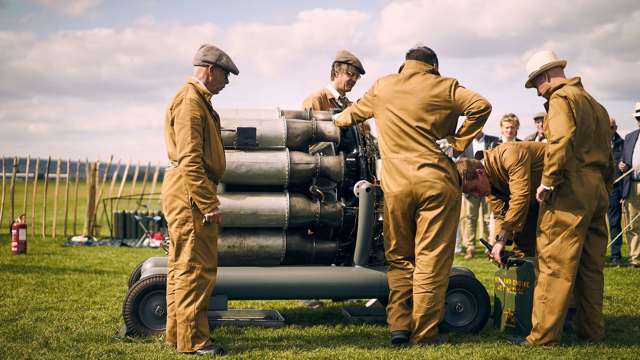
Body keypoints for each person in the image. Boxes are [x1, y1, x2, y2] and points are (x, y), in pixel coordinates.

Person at [334, 46, 491, 345]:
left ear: (406, 64)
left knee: (400, 259)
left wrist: (330, 119)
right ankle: (424, 333)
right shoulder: (445, 86)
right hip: (436, 183)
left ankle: (399, 326)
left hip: (396, 188)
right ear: (433, 66)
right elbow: (481, 106)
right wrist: (458, 141)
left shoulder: (384, 86)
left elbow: (348, 116)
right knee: (431, 260)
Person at [523, 50, 613, 346]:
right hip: (597, 187)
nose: (538, 92)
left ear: (547, 76)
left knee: (554, 262)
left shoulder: (561, 99)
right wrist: (605, 187)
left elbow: (560, 140)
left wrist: (548, 181)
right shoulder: (596, 105)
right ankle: (591, 332)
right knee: (591, 266)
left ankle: (543, 337)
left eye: (536, 83)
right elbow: (609, 153)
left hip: (571, 188)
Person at [162, 44, 238, 356]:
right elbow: (191, 159)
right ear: (209, 70)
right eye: (225, 74)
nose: (227, 82)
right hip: (191, 193)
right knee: (196, 268)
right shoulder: (192, 102)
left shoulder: (195, 100)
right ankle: (193, 341)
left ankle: (177, 334)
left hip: (186, 190)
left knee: (181, 266)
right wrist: (208, 203)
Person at [455, 142, 545, 262]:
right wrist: (498, 244)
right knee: (521, 251)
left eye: (474, 189)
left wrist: (502, 238)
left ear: (480, 173)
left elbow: (520, 196)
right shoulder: (489, 181)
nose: (476, 195)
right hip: (536, 200)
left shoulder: (509, 154)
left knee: (554, 249)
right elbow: (500, 214)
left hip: (565, 187)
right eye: (470, 193)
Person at [458, 131, 499, 259]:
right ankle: (470, 247)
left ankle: (489, 246)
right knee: (470, 218)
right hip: (471, 184)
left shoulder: (493, 140)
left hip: (485, 184)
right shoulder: (465, 143)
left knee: (488, 218)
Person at [620, 102, 640, 267]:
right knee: (632, 223)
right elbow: (625, 160)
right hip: (632, 184)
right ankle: (635, 258)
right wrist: (622, 165)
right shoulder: (630, 137)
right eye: (638, 118)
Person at [608, 118, 625, 266]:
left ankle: (615, 256)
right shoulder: (596, 143)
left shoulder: (623, 144)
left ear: (616, 127)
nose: (609, 130)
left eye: (612, 127)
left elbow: (628, 164)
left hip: (614, 189)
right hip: (598, 188)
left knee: (614, 223)